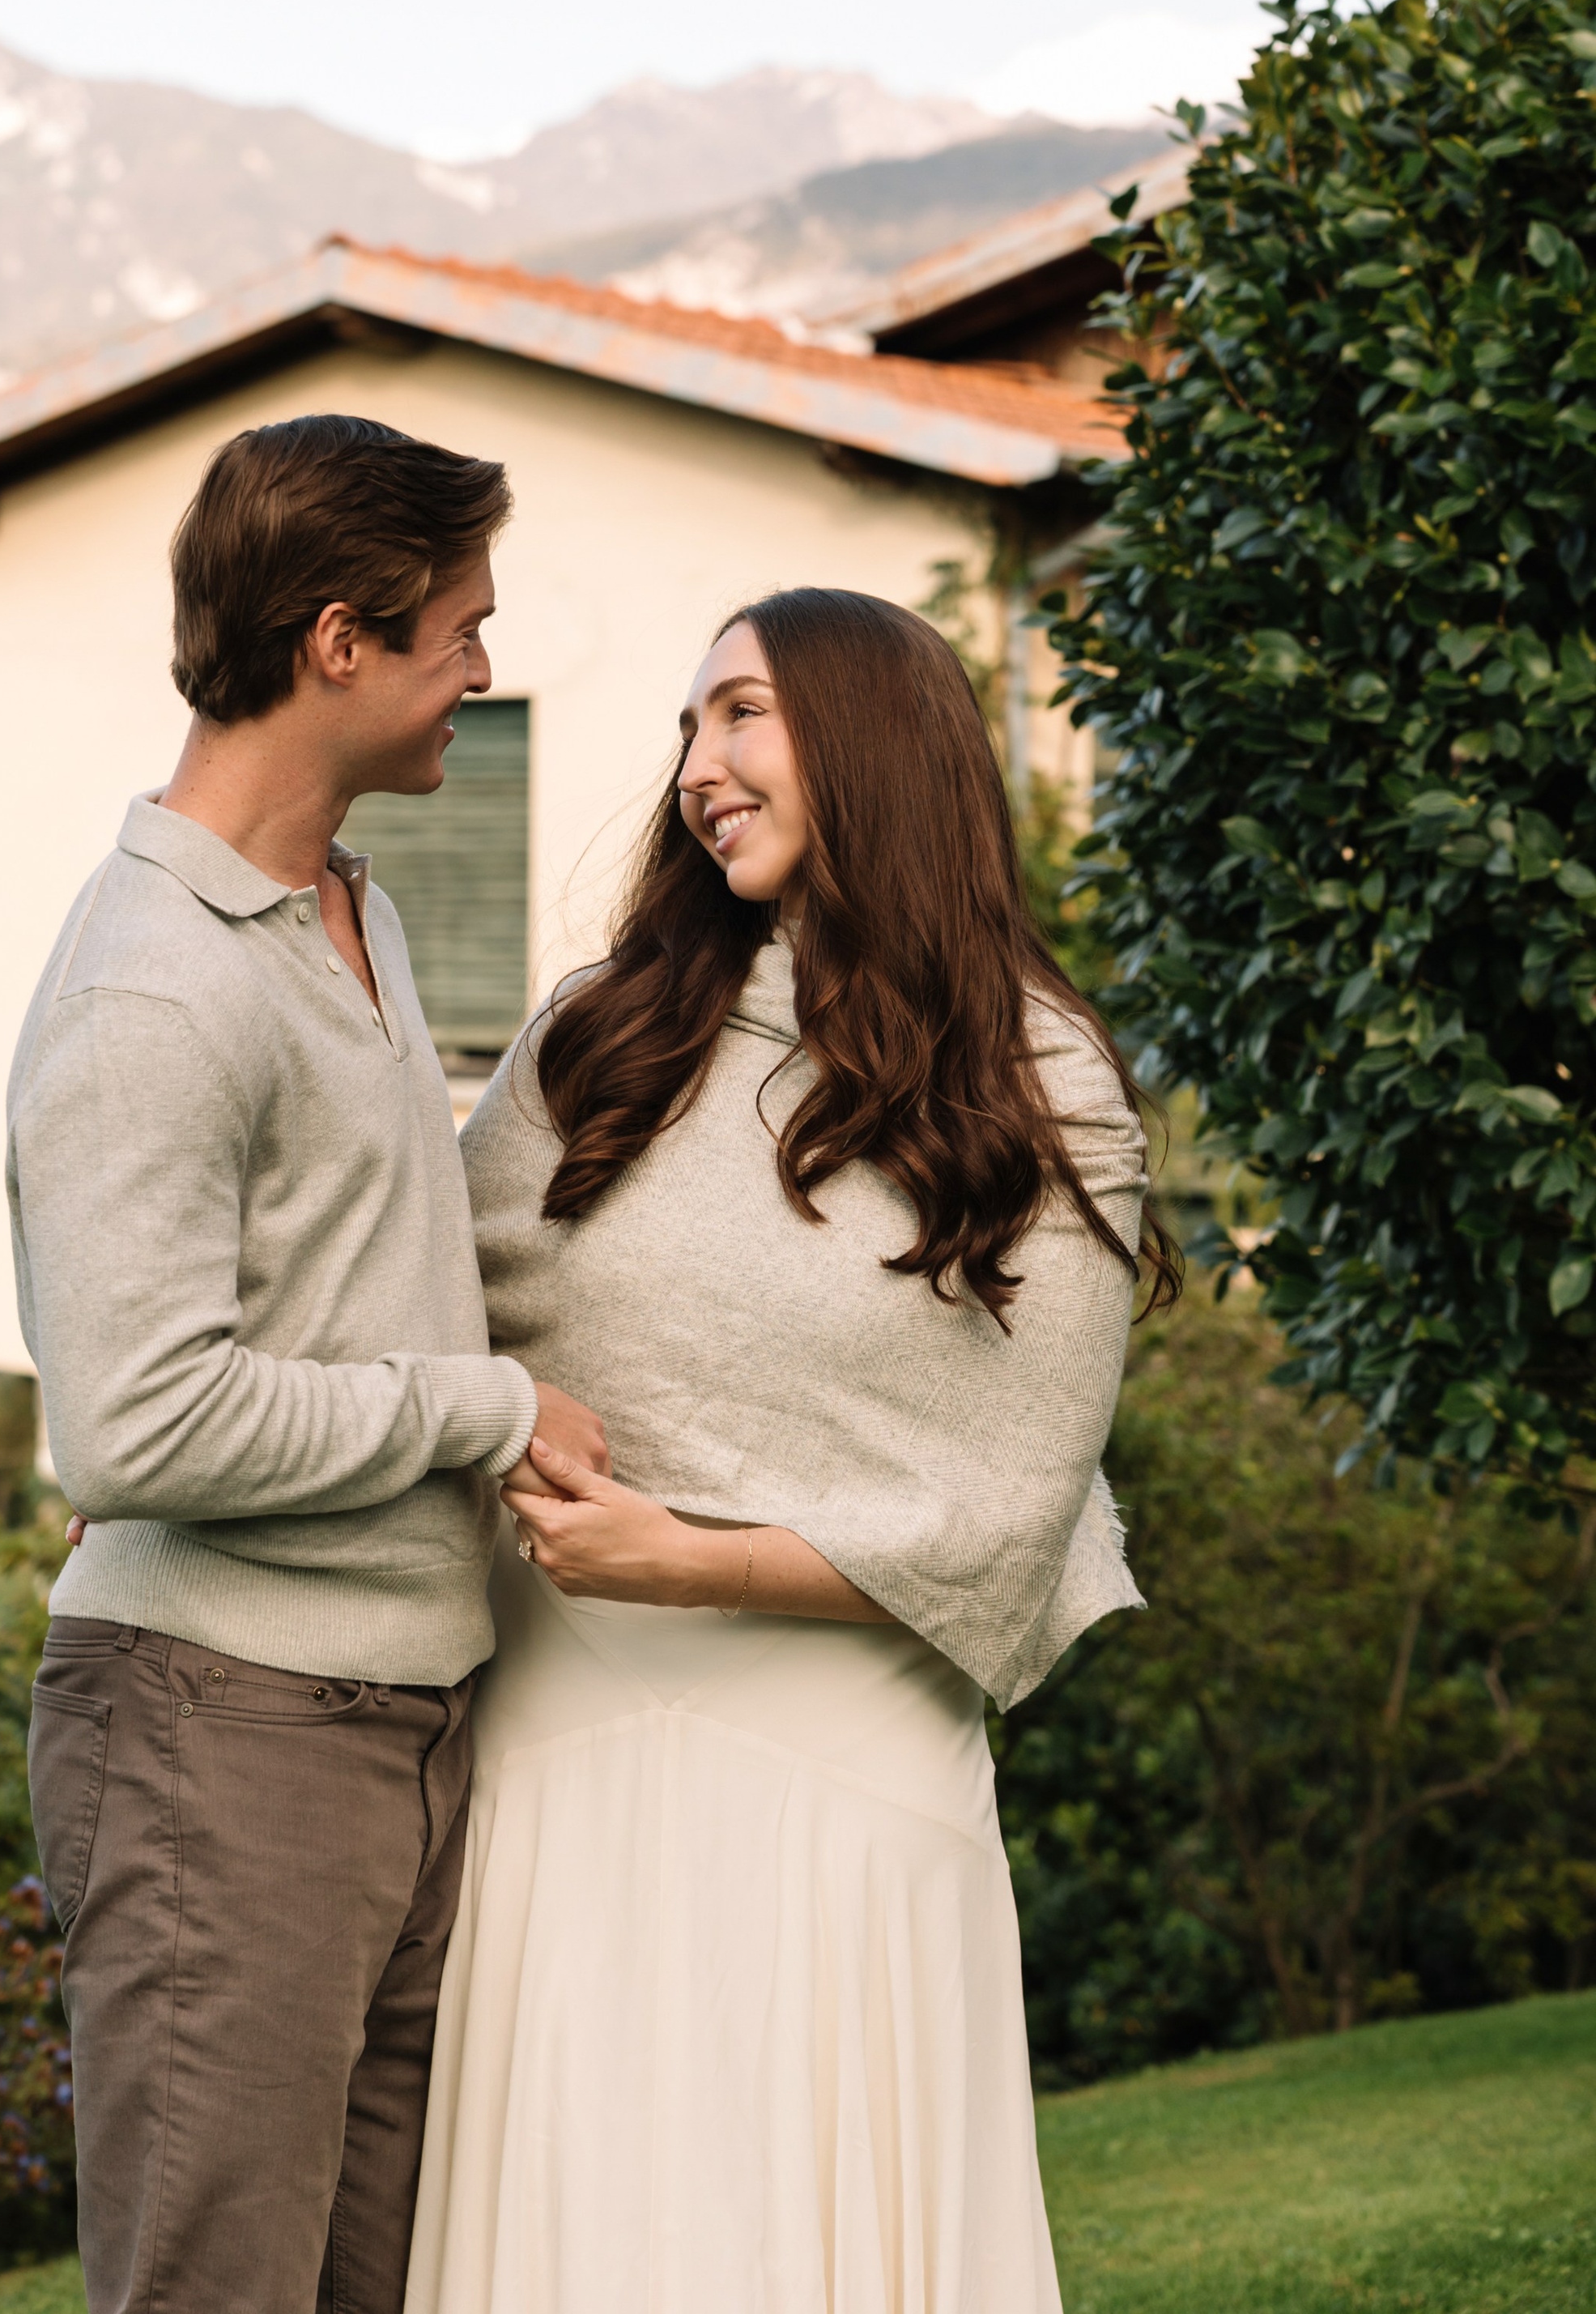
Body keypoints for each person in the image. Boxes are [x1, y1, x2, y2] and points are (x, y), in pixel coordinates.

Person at [404, 586, 1180, 2314]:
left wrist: (697, 1562)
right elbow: (433, 1318)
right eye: (687, 726)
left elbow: (1013, 1497)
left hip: (845, 1751)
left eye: (740, 714)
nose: (697, 764)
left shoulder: (1040, 1086)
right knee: (577, 2213)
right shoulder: (593, 1037)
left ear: (872, 741)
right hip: (563, 1721)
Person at [8, 411, 608, 2314]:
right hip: (220, 1738)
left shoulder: (354, 911)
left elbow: (374, 1267)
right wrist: (483, 1407)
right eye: (458, 631)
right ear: (337, 640)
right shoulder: (148, 986)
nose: (483, 674)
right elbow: (133, 1415)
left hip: (399, 1727)